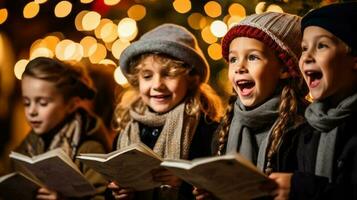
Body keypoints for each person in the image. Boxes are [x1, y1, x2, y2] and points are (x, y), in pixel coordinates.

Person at [194, 12, 311, 199]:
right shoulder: (225, 128)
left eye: (253, 57)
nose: (239, 67)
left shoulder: (303, 130)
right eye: (233, 59)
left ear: (284, 69)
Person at [107, 23, 224, 200]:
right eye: (147, 76)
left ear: (191, 79)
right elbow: (110, 186)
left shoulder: (207, 131)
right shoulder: (126, 130)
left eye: (169, 74)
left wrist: (183, 184)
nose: (157, 85)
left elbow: (218, 190)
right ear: (136, 81)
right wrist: (117, 193)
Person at [270, 2, 357, 200]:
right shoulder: (299, 136)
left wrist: (302, 190)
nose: (307, 57)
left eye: (322, 46)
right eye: (304, 48)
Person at [16, 57, 112, 200]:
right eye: (26, 102)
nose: (32, 111)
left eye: (42, 103)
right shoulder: (27, 146)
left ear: (71, 105)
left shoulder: (89, 149)